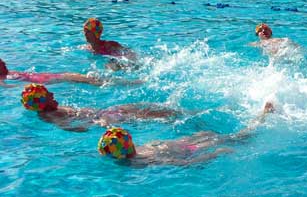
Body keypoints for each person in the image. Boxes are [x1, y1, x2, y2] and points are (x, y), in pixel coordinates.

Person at [97, 102, 275, 167]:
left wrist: (215, 154)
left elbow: (184, 163)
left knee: (242, 138)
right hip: (183, 142)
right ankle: (258, 114)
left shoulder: (139, 162)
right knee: (228, 136)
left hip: (191, 148)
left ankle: (263, 117)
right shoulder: (139, 150)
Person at [20, 83, 179, 132]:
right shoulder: (50, 116)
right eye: (49, 94)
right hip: (102, 118)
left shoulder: (52, 109)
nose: (53, 94)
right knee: (148, 116)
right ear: (42, 102)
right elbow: (73, 128)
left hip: (104, 112)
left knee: (144, 108)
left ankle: (177, 112)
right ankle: (179, 117)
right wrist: (99, 123)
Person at [0, 58, 141, 88]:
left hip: (56, 76)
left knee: (92, 79)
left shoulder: (9, 72)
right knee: (92, 81)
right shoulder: (3, 77)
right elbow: (8, 87)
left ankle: (125, 81)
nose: (5, 63)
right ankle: (129, 83)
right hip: (51, 81)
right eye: (1, 63)